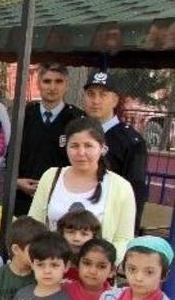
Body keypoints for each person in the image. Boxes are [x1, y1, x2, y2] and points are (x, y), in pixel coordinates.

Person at [29, 117, 136, 262]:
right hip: (50, 271)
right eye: (74, 146)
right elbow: (34, 225)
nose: (81, 152)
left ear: (102, 148)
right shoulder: (50, 176)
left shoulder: (120, 187)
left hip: (94, 276)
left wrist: (101, 264)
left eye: (88, 146)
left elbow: (124, 239)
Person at [83, 70, 148, 232]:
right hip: (74, 219)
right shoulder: (76, 132)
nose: (96, 101)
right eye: (91, 94)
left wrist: (128, 235)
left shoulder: (131, 141)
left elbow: (135, 193)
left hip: (109, 223)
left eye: (103, 95)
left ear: (115, 100)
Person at [16, 63, 84, 216]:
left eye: (58, 81)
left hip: (62, 201)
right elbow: (11, 154)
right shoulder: (23, 116)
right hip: (23, 200)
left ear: (66, 85)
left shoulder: (77, 120)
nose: (52, 87)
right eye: (47, 81)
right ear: (38, 84)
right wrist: (17, 182)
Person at [57, 209, 101, 282]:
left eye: (84, 234)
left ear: (93, 236)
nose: (76, 238)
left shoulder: (99, 261)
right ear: (62, 234)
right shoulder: (52, 258)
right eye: (70, 232)